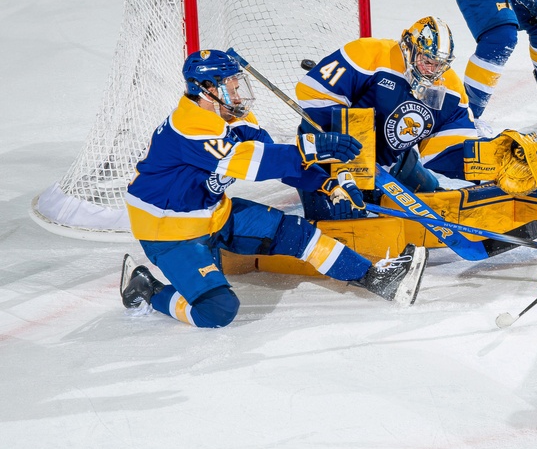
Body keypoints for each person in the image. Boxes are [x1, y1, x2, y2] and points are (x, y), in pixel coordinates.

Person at [120, 49, 428, 328]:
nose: (239, 94)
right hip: (170, 233)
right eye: (232, 86)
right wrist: (313, 146)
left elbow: (277, 160)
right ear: (208, 89)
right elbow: (253, 161)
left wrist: (326, 183)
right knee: (216, 310)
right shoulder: (189, 127)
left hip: (212, 213)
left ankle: (375, 277)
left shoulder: (232, 117)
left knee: (298, 233)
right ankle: (149, 289)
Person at [294, 16, 537, 236]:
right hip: (325, 158)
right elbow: (312, 93)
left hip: (391, 162)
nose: (432, 69)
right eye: (427, 59)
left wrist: (494, 160)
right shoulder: (369, 54)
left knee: (436, 203)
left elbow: (446, 151)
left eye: (440, 64)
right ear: (409, 47)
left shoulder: (450, 90)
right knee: (338, 220)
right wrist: (353, 161)